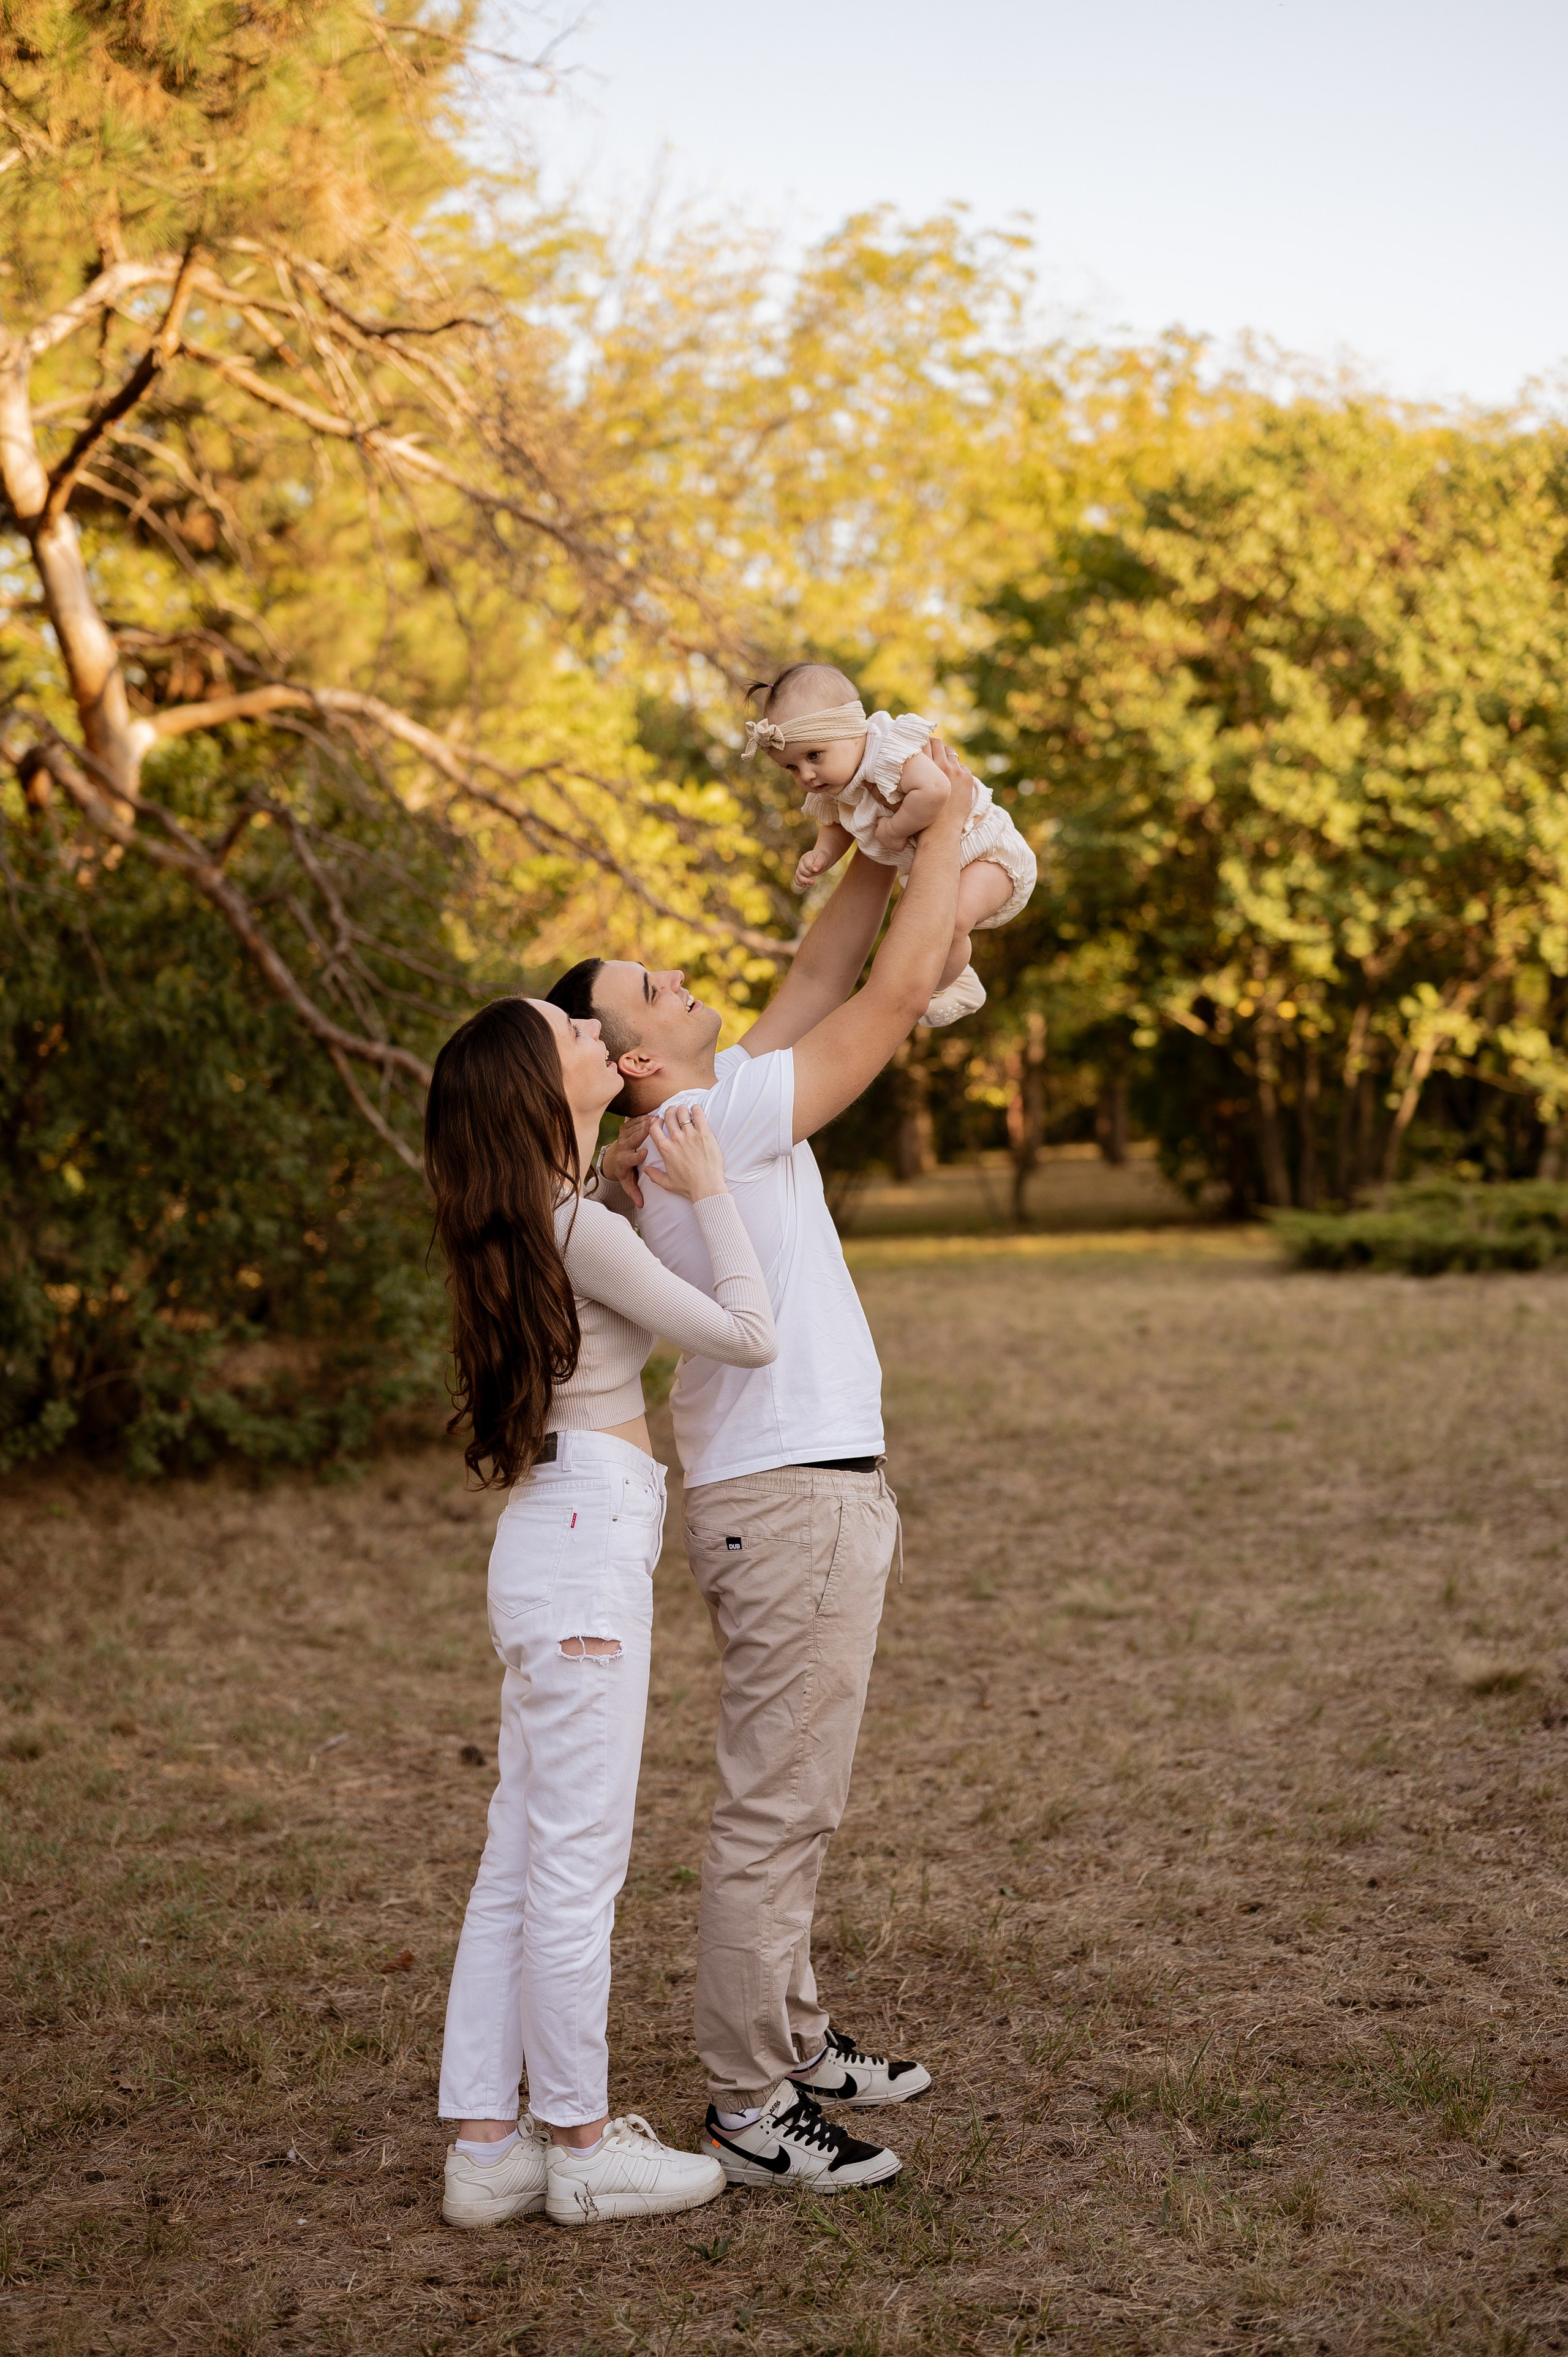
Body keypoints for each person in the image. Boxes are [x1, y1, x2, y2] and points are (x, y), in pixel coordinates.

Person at [545, 736, 976, 2192]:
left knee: (798, 1790)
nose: (677, 975)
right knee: (776, 1806)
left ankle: (790, 2033)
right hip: (788, 1501)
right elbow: (890, 998)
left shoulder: (707, 1098)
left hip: (799, 1490)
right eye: (651, 985)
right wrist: (949, 815)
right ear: (637, 1058)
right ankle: (748, 2101)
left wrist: (873, 834)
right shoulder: (703, 1118)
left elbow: (824, 964)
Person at [426, 994, 780, 2230]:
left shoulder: (539, 1216)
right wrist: (710, 1189)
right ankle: (580, 2143)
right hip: (582, 1543)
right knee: (575, 1864)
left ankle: (487, 2144)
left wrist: (622, 1183)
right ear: (539, 1087)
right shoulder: (570, 1224)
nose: (593, 1027)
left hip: (551, 1534)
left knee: (520, 1858)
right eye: (569, 1030)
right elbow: (747, 1332)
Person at [744, 661, 1036, 1027]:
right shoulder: (835, 785)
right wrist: (822, 854)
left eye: (813, 756)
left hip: (988, 853)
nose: (806, 775)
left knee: (951, 920)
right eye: (791, 767)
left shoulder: (887, 751)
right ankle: (957, 977)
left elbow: (936, 790)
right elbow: (835, 825)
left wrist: (896, 830)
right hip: (941, 870)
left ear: (851, 732)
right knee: (908, 927)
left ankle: (935, 990)